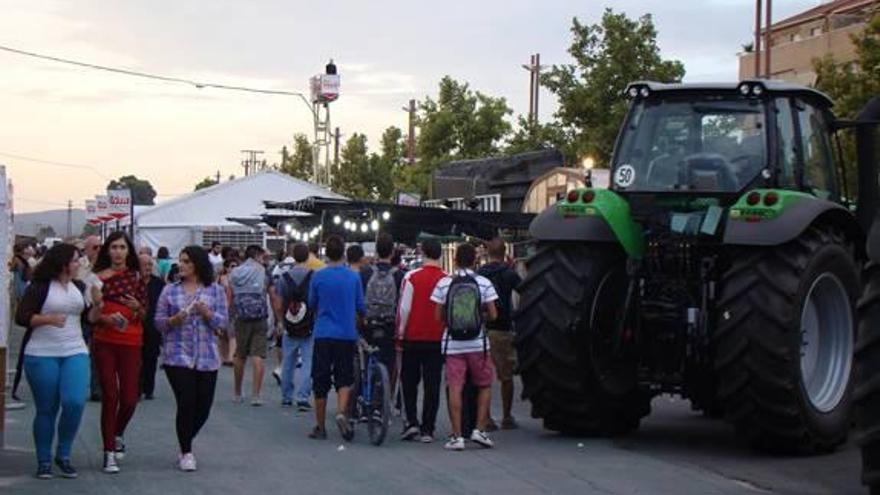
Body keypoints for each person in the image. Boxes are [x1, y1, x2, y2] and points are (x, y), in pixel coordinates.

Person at [13, 243, 102, 479]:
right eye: (75, 260)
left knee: (74, 402)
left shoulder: (79, 286)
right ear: (62, 263)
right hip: (42, 352)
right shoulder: (40, 287)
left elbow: (89, 319)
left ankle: (63, 453)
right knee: (47, 408)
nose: (78, 264)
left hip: (75, 349)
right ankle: (44, 459)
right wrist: (47, 319)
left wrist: (99, 305)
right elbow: (21, 317)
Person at [155, 245, 229, 472]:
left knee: (203, 406)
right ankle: (186, 451)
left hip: (206, 356)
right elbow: (158, 322)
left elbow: (224, 323)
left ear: (197, 264)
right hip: (177, 355)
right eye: (181, 261)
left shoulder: (214, 290)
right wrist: (174, 319)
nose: (182, 265)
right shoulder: (170, 290)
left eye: (187, 261)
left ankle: (185, 436)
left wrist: (208, 314)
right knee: (186, 402)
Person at [431, 243, 498, 451]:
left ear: (456, 260)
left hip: (452, 345)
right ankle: (479, 429)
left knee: (455, 387)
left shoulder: (444, 283)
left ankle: (457, 436)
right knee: (484, 384)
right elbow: (494, 315)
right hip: (478, 344)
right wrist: (479, 317)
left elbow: (437, 317)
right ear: (474, 260)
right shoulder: (484, 283)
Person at [92, 231, 147, 473]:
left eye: (122, 247)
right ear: (107, 250)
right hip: (104, 341)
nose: (117, 252)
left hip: (131, 342)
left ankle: (117, 432)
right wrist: (104, 316)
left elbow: (146, 314)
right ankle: (108, 452)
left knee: (129, 399)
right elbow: (90, 316)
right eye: (113, 247)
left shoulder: (136, 278)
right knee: (110, 395)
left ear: (128, 251)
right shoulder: (97, 279)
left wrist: (137, 308)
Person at [307, 235, 365, 441]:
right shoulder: (353, 277)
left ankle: (320, 426)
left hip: (323, 333)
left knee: (320, 380)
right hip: (346, 333)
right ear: (343, 253)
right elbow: (361, 306)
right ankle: (341, 411)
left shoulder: (318, 276)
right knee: (344, 377)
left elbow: (311, 303)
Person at [396, 239, 447, 443]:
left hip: (413, 337)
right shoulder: (446, 279)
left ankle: (411, 423)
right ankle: (429, 428)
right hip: (437, 338)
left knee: (409, 381)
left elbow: (405, 308)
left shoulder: (411, 277)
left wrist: (400, 332)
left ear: (423, 253)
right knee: (432, 383)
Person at [477, 239, 522, 430]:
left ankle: (485, 418)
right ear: (504, 253)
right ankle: (506, 416)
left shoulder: (479, 274)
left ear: (487, 253)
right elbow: (525, 291)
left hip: (481, 329)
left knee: (483, 376)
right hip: (502, 329)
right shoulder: (509, 274)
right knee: (506, 376)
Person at [272, 242, 315, 411]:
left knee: (288, 361)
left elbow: (279, 302)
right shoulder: (313, 277)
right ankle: (303, 397)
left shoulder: (284, 278)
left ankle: (286, 396)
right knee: (307, 362)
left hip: (290, 323)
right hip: (309, 325)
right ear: (308, 256)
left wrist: (281, 321)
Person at [229, 244, 270, 406]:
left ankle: (238, 392)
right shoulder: (262, 270)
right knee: (258, 355)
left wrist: (231, 313)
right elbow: (267, 289)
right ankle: (256, 395)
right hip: (259, 316)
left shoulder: (236, 271)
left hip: (241, 316)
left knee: (240, 355)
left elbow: (231, 293)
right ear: (256, 256)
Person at [360, 233, 405, 371]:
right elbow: (402, 304)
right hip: (390, 325)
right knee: (390, 364)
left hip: (369, 324)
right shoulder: (399, 275)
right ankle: (389, 390)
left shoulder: (365, 273)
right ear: (392, 252)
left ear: (376, 251)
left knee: (369, 358)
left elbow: (360, 300)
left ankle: (368, 386)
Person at [78, 235, 104, 402]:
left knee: (97, 351)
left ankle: (96, 389)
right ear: (86, 249)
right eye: (94, 247)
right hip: (81, 311)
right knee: (80, 351)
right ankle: (77, 385)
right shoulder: (79, 265)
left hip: (98, 311)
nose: (98, 250)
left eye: (100, 247)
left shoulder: (105, 266)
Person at [139, 254, 165, 400]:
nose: (148, 267)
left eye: (150, 264)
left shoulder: (159, 284)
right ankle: (137, 387)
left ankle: (149, 388)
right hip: (136, 325)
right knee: (136, 359)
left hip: (153, 327)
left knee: (151, 358)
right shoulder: (133, 282)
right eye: (145, 264)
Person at [217, 258, 239, 366]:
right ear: (226, 268)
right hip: (222, 307)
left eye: (236, 266)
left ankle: (231, 356)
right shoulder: (221, 278)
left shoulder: (238, 279)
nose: (234, 268)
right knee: (222, 334)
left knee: (232, 332)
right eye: (232, 266)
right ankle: (223, 357)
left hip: (234, 308)